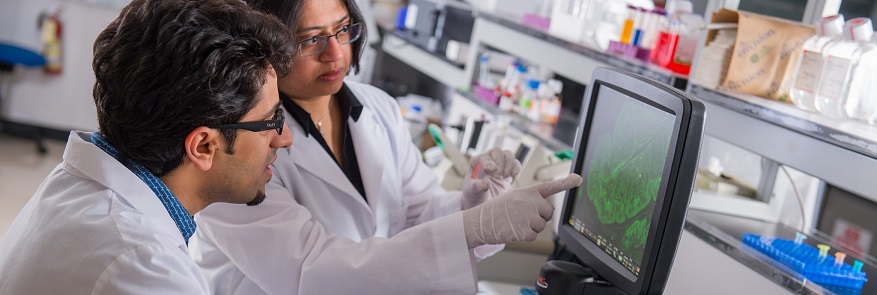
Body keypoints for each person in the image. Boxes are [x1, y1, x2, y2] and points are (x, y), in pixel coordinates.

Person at [190, 0, 583, 293]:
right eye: (311, 40)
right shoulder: (237, 143)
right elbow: (311, 272)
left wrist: (474, 205)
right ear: (269, 46)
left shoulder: (377, 108)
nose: (336, 53)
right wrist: (469, 229)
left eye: (343, 29)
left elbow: (414, 215)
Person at [0, 0, 294, 293]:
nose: (284, 138)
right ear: (203, 146)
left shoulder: (77, 187)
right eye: (271, 121)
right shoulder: (145, 270)